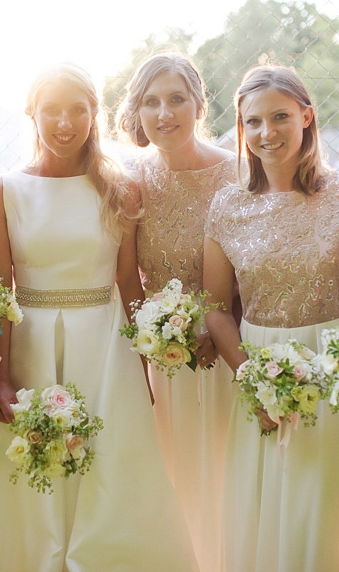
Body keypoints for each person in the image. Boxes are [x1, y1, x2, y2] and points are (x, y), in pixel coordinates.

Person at [0, 63, 199, 572]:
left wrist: (145, 365)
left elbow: (127, 281)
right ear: (31, 113)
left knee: (112, 463)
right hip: (33, 342)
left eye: (78, 109)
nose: (65, 122)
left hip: (106, 344)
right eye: (51, 110)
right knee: (40, 461)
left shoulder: (119, 188)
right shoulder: (2, 191)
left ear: (94, 114)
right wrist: (2, 377)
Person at [203, 65, 339, 572]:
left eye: (280, 117)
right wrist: (253, 379)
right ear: (241, 129)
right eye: (253, 122)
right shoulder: (227, 205)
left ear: (307, 117)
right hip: (257, 364)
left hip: (332, 365)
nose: (266, 133)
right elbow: (215, 308)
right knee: (264, 494)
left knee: (324, 497)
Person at [116, 52, 236, 572]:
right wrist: (146, 350)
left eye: (176, 99)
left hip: (231, 348)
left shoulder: (236, 171)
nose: (164, 113)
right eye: (151, 102)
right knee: (174, 473)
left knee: (229, 470)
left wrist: (219, 324)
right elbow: (126, 278)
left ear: (199, 104)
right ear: (137, 113)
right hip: (163, 359)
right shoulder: (132, 182)